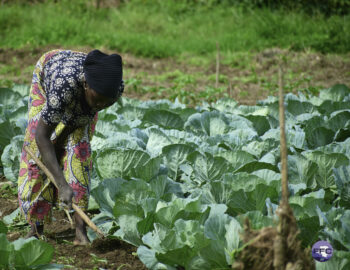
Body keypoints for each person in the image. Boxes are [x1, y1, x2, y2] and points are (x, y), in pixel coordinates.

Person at [18, 49, 124, 245]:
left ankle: (80, 232)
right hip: (49, 75)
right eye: (98, 98)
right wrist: (61, 183)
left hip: (78, 96)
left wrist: (59, 146)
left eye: (105, 101)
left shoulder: (112, 91)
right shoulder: (62, 87)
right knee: (37, 156)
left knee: (79, 153)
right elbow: (42, 137)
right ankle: (36, 227)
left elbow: (82, 116)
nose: (101, 105)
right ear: (86, 84)